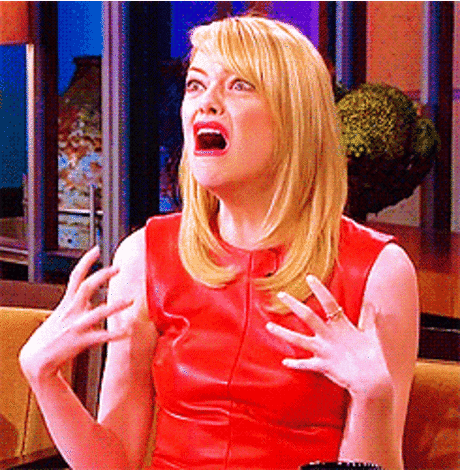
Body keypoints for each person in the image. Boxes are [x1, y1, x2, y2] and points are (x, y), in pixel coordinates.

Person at [19, 15, 419, 470]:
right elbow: (114, 463)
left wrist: (373, 398)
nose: (206, 102)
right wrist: (44, 379)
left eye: (239, 85)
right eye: (195, 85)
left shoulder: (377, 271)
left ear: (297, 119)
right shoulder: (145, 257)